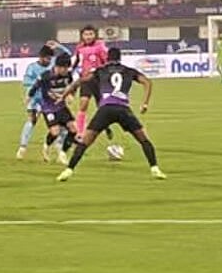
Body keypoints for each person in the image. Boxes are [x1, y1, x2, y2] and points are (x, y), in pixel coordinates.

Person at [56, 48, 166, 181]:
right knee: (143, 139)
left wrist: (64, 95)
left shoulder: (100, 70)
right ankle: (155, 168)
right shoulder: (129, 71)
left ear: (107, 58)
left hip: (106, 109)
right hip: (123, 109)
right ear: (120, 58)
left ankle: (69, 170)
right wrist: (145, 104)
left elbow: (80, 81)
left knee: (85, 142)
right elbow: (147, 82)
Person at [72, 25, 117, 154]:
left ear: (94, 35)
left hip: (99, 81)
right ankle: (80, 133)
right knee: (83, 104)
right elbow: (76, 62)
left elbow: (106, 62)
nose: (88, 37)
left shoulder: (100, 46)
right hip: (86, 80)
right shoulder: (79, 47)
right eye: (86, 34)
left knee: (102, 108)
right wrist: (72, 71)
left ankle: (106, 127)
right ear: (82, 36)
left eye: (90, 34)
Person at [29, 53, 79, 165]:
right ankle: (46, 147)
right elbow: (37, 89)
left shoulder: (68, 76)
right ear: (58, 67)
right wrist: (30, 100)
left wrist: (71, 95)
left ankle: (63, 153)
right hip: (48, 107)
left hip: (61, 106)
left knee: (73, 130)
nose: (66, 70)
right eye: (65, 68)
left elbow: (72, 87)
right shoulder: (46, 76)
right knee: (55, 132)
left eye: (67, 68)